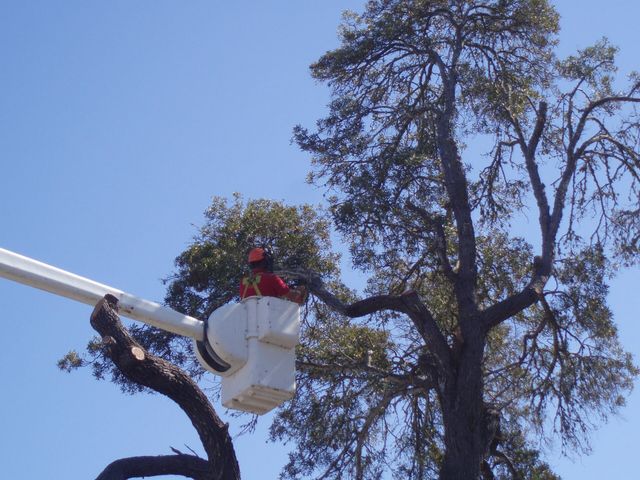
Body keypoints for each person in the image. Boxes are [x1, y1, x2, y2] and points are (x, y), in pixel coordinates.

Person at [239, 247, 306, 304]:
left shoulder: (243, 283)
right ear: (265, 262)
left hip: (251, 318)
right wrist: (300, 289)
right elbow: (293, 297)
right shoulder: (272, 278)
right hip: (270, 318)